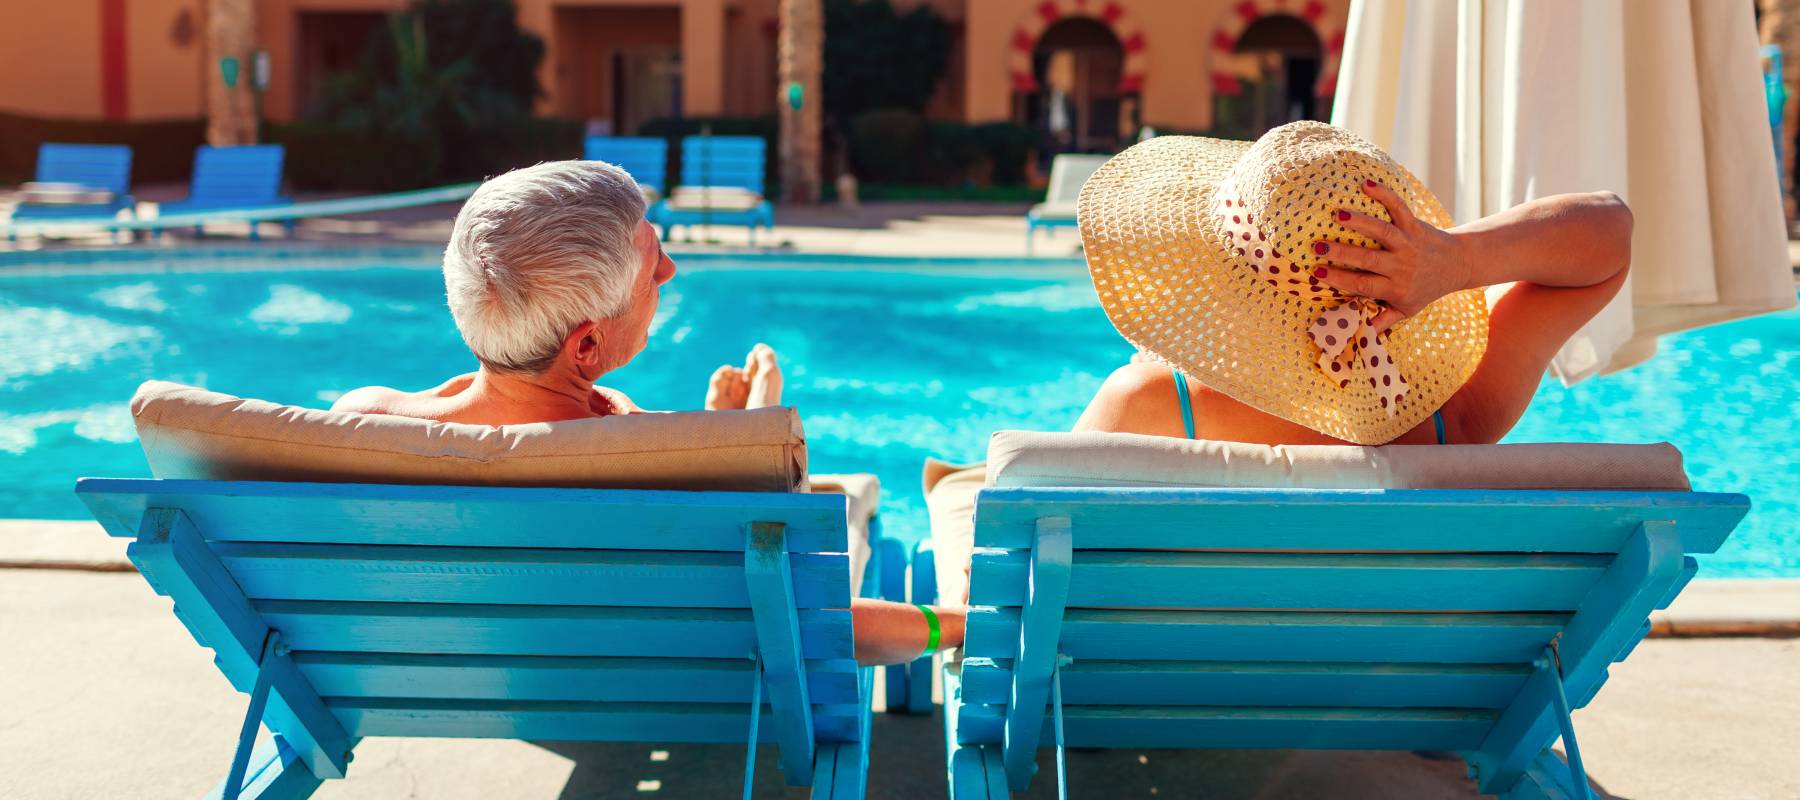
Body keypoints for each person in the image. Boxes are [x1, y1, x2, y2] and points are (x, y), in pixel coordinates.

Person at [332, 160, 961, 666]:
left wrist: (718, 434)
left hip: (502, 684)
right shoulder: (660, 471)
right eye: (650, 270)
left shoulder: (361, 430)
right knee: (837, 524)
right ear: (586, 344)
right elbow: (822, 623)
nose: (669, 268)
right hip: (679, 687)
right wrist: (960, 622)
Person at [1072, 121, 1632, 448]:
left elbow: (1015, 563)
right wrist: (1457, 260)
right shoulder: (1457, 415)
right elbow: (1610, 234)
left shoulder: (1149, 406)